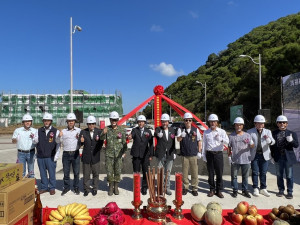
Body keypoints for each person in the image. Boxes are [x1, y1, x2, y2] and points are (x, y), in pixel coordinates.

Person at [270, 115, 299, 199]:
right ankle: (281, 190)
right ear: (277, 124)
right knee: (279, 175)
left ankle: (289, 192)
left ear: (286, 124)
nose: (282, 124)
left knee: (289, 175)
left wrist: (292, 141)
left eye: (284, 122)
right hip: (278, 157)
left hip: (288, 158)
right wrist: (271, 155)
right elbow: (272, 146)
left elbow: (296, 145)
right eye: (280, 122)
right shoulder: (274, 133)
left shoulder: (292, 133)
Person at [247, 115, 275, 197]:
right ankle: (255, 188)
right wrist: (249, 142)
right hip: (254, 154)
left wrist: (269, 141)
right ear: (255, 124)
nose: (260, 125)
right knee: (255, 172)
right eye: (258, 123)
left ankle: (263, 188)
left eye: (262, 124)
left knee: (263, 172)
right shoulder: (250, 131)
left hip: (264, 155)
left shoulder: (268, 132)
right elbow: (247, 142)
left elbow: (273, 142)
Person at [100, 111, 127, 196]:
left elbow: (124, 142)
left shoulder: (121, 130)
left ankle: (116, 187)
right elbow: (101, 138)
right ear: (110, 120)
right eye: (112, 120)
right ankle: (110, 187)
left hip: (118, 155)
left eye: (115, 119)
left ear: (117, 120)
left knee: (118, 171)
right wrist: (103, 133)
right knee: (109, 171)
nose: (114, 121)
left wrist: (124, 152)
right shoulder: (107, 129)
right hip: (109, 154)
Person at [202, 113, 229, 198]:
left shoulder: (222, 131)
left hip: (218, 154)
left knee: (219, 173)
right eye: (211, 122)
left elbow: (227, 142)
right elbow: (204, 144)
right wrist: (203, 154)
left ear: (217, 122)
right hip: (210, 154)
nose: (213, 123)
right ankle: (212, 189)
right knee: (210, 173)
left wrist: (220, 139)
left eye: (214, 122)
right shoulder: (206, 132)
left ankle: (219, 190)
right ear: (209, 122)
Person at [34, 113, 60, 195]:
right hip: (40, 156)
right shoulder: (38, 131)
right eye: (45, 120)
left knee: (51, 173)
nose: (46, 122)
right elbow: (35, 142)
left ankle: (52, 188)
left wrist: (56, 155)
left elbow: (58, 144)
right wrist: (34, 139)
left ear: (51, 121)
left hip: (50, 156)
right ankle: (44, 187)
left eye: (48, 120)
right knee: (42, 173)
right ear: (43, 121)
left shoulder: (56, 131)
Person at [228, 117, 255, 198]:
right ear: (234, 125)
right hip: (235, 160)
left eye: (240, 125)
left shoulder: (247, 135)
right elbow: (229, 147)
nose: (238, 126)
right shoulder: (231, 136)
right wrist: (229, 156)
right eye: (237, 125)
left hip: (246, 159)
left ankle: (244, 190)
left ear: (242, 126)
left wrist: (251, 143)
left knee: (245, 176)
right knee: (234, 176)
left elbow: (252, 146)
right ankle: (235, 190)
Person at [177, 112, 202, 196]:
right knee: (185, 173)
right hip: (184, 155)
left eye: (189, 120)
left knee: (194, 172)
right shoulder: (181, 129)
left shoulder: (195, 130)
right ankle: (185, 187)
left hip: (193, 154)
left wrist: (199, 151)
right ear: (184, 121)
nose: (188, 122)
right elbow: (178, 140)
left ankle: (194, 188)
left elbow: (199, 141)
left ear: (192, 121)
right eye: (186, 120)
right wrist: (181, 136)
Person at [128, 115, 153, 195]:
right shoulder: (134, 130)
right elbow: (132, 136)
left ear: (145, 123)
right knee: (136, 172)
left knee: (146, 172)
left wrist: (151, 155)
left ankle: (144, 187)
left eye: (142, 122)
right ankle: (136, 187)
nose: (141, 123)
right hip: (136, 154)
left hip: (145, 154)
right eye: (139, 122)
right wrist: (130, 137)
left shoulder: (148, 131)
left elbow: (151, 144)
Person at [78, 115, 103, 197]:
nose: (91, 125)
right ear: (87, 124)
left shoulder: (99, 132)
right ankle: (86, 189)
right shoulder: (83, 132)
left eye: (93, 124)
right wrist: (81, 142)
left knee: (96, 174)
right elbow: (79, 144)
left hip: (95, 156)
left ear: (95, 124)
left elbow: (101, 143)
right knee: (86, 174)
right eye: (89, 124)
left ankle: (95, 188)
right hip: (86, 156)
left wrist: (99, 141)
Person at [57, 113, 81, 196]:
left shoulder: (79, 131)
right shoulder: (63, 131)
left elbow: (82, 141)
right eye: (69, 121)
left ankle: (76, 187)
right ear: (67, 122)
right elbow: (57, 142)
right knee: (66, 172)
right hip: (66, 154)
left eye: (72, 121)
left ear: (74, 122)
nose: (71, 122)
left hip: (75, 153)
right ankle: (66, 187)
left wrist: (82, 140)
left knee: (76, 172)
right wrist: (58, 136)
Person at [154, 113, 176, 195]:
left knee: (168, 172)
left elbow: (174, 143)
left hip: (170, 154)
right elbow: (155, 133)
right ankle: (160, 188)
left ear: (168, 122)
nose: (164, 123)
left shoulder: (172, 130)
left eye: (166, 122)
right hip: (160, 154)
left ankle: (167, 188)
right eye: (163, 122)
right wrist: (158, 135)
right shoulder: (158, 129)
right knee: (160, 172)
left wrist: (174, 152)